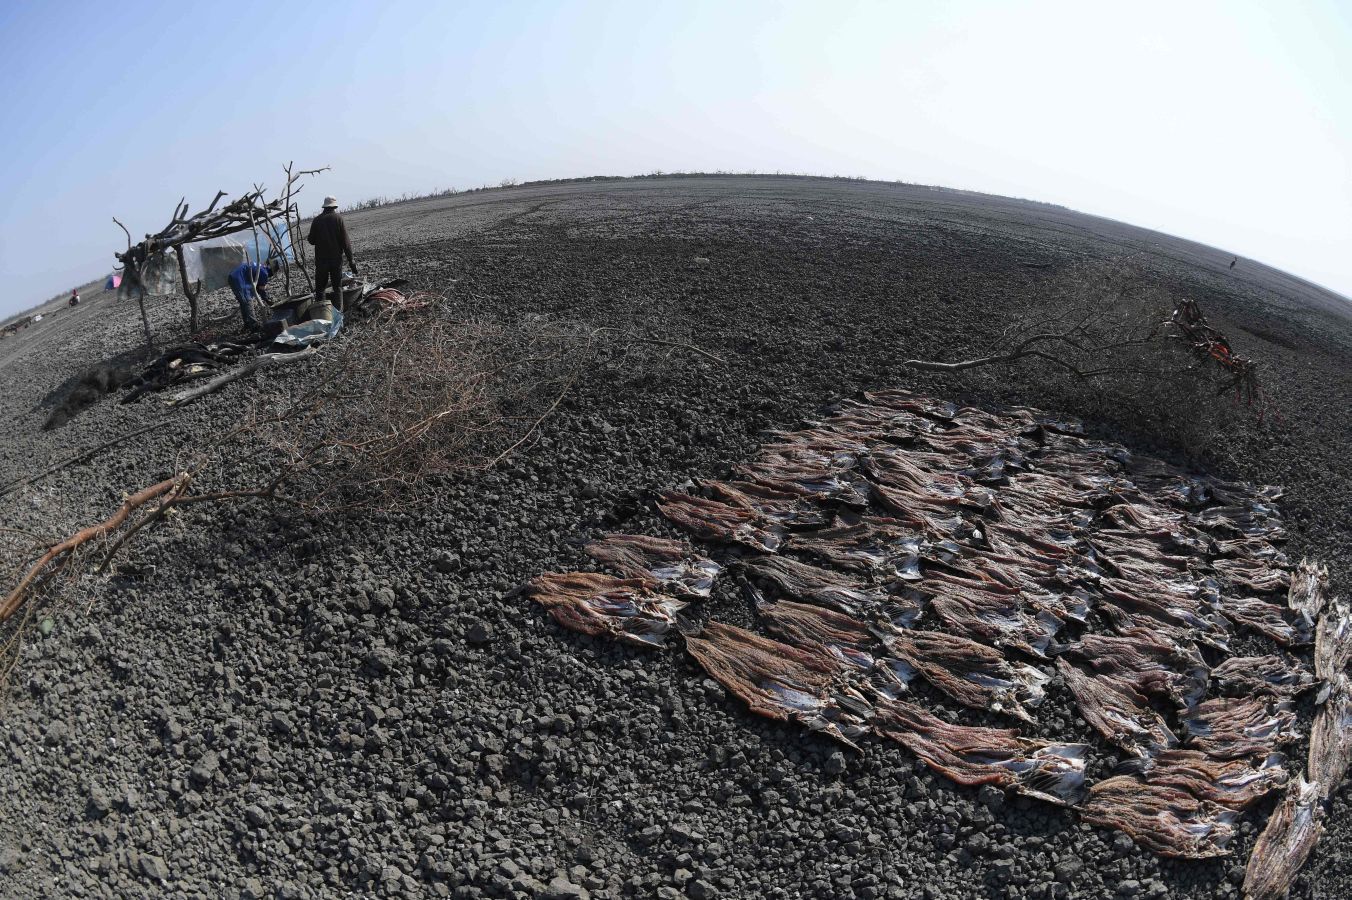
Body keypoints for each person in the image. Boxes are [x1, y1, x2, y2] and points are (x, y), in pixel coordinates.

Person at [306, 196, 358, 309]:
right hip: (336, 260)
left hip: (321, 261)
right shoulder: (338, 218)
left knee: (320, 289)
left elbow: (311, 240)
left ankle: (323, 314)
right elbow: (345, 242)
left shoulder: (317, 220)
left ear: (324, 207)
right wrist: (351, 260)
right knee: (337, 288)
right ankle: (339, 313)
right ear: (334, 206)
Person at [227, 259, 275, 331]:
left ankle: (247, 324)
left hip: (232, 277)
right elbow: (261, 289)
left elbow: (257, 287)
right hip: (239, 280)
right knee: (248, 302)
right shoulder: (265, 273)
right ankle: (254, 326)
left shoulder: (259, 266)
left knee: (243, 303)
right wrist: (267, 299)